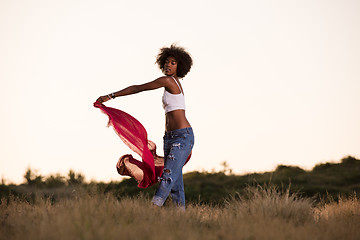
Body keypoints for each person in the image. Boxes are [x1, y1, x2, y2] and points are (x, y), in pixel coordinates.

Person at [96, 44, 194, 210]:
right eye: (167, 62)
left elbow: (138, 88)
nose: (168, 65)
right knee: (175, 182)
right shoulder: (170, 82)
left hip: (182, 137)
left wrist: (111, 96)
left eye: (173, 63)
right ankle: (181, 218)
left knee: (168, 175)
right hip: (169, 138)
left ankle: (152, 210)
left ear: (180, 66)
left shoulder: (169, 81)